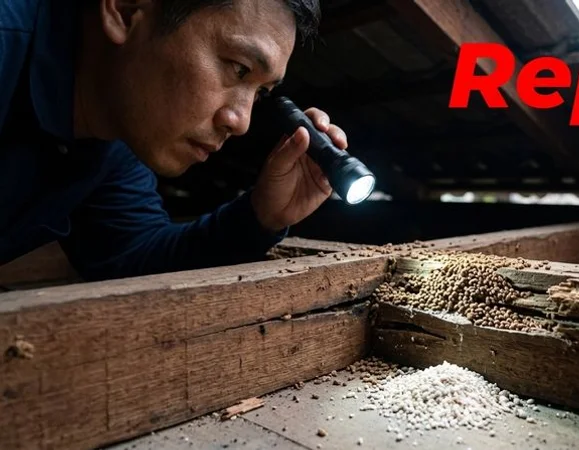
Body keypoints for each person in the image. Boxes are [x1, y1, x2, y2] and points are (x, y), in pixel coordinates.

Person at [0, 0, 346, 281]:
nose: (241, 122)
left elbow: (135, 258)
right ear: (125, 11)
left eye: (260, 93)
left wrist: (261, 216)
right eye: (238, 68)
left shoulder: (112, 139)